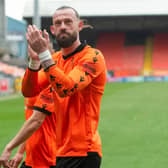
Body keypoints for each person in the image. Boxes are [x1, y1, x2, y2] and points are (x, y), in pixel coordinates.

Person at [14, 5, 106, 168]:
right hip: (61, 151)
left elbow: (66, 88)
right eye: (58, 23)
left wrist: (44, 55)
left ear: (79, 26)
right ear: (52, 29)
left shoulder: (93, 57)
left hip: (84, 151)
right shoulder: (56, 59)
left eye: (68, 22)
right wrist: (35, 61)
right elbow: (29, 91)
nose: (63, 26)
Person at [0, 43, 57, 168]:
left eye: (44, 48)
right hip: (32, 157)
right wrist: (21, 152)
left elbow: (36, 121)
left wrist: (9, 147)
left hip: (48, 158)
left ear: (52, 52)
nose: (40, 52)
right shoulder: (33, 80)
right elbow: (30, 122)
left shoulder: (53, 81)